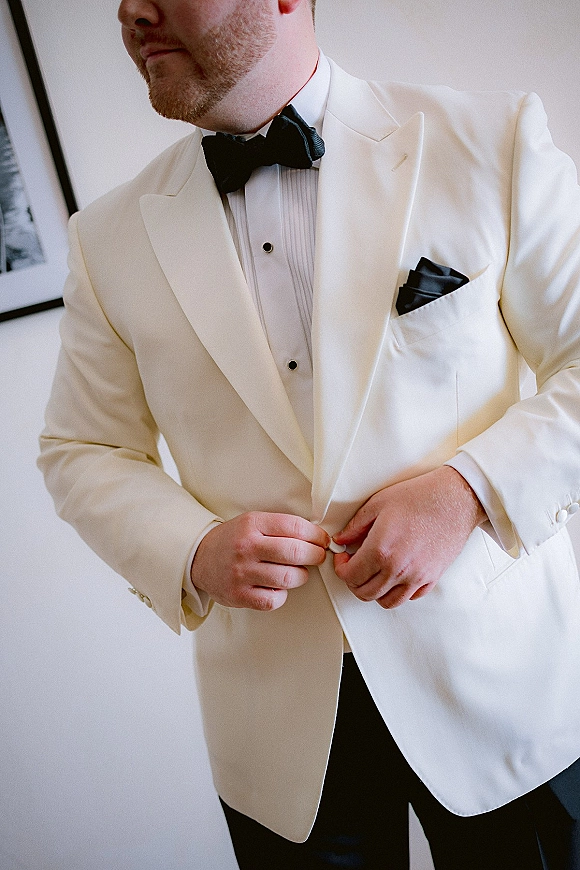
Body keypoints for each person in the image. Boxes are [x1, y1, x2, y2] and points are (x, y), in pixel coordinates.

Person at [38, 0, 580, 867]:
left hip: (510, 697)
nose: (132, 11)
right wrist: (194, 550)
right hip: (278, 742)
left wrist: (468, 490)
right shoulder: (105, 239)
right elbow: (80, 448)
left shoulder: (493, 138)